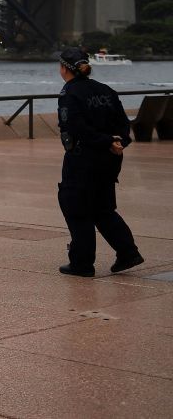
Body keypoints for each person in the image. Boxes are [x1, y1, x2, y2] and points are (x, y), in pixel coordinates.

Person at [56, 47, 143, 277]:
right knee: (103, 208)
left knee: (76, 207)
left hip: (83, 159)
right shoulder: (106, 90)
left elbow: (76, 128)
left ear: (64, 68)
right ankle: (128, 252)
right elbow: (123, 123)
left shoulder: (70, 93)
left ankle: (81, 264)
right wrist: (118, 142)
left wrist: (105, 142)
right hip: (111, 159)